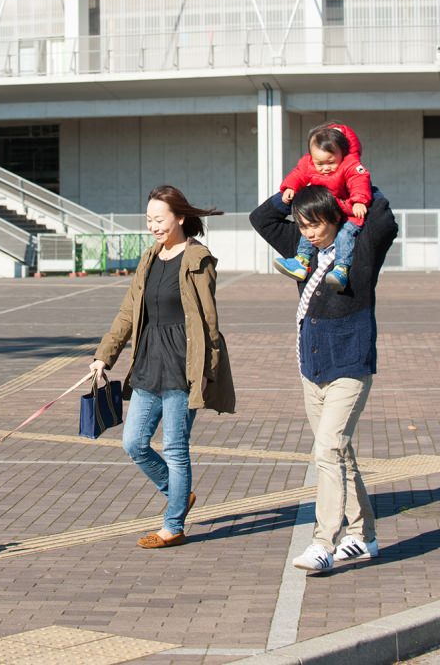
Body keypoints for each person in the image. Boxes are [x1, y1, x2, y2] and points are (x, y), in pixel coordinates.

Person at [250, 184, 397, 571]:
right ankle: (364, 537)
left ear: (334, 216)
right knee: (339, 452)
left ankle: (323, 541)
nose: (310, 232)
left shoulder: (359, 250)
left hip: (350, 364)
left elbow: (383, 219)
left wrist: (352, 182)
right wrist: (293, 187)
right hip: (311, 367)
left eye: (316, 223)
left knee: (328, 450)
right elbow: (261, 219)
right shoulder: (303, 251)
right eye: (303, 225)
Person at [90, 184, 235, 549]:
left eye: (159, 219)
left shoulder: (197, 258)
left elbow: (208, 320)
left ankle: (173, 526)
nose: (153, 226)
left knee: (174, 448)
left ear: (180, 218)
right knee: (133, 442)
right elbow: (129, 311)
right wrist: (103, 355)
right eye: (149, 219)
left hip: (182, 364)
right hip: (148, 361)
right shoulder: (149, 257)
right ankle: (177, 495)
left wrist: (209, 368)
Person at [274, 122, 372, 292]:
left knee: (345, 235)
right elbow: (298, 174)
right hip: (325, 211)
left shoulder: (350, 165)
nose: (325, 168)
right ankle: (301, 262)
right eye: (320, 163)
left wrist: (359, 201)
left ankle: (341, 269)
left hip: (347, 212)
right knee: (309, 230)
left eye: (331, 162)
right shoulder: (309, 164)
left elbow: (359, 181)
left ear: (343, 153)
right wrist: (290, 187)